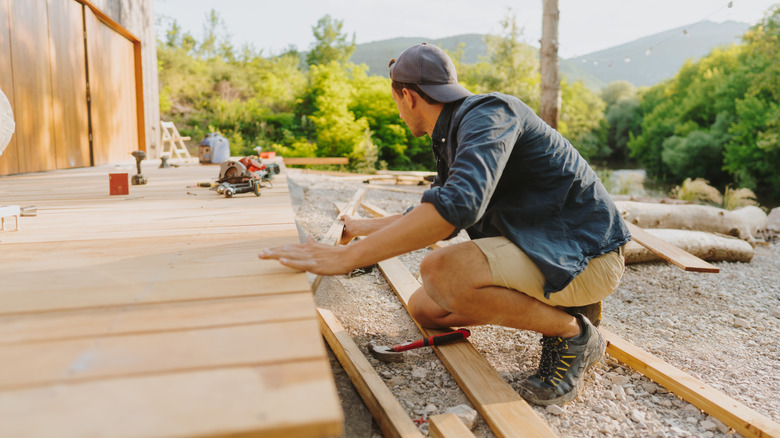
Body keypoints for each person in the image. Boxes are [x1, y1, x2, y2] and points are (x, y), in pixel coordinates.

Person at [259, 43, 631, 406]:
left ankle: (574, 332)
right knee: (427, 309)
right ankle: (561, 309)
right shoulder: (457, 133)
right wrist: (359, 228)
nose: (399, 114)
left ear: (407, 95)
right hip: (543, 248)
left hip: (588, 257)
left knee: (440, 270)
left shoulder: (490, 113)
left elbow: (456, 208)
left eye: (396, 104)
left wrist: (348, 258)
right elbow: (436, 211)